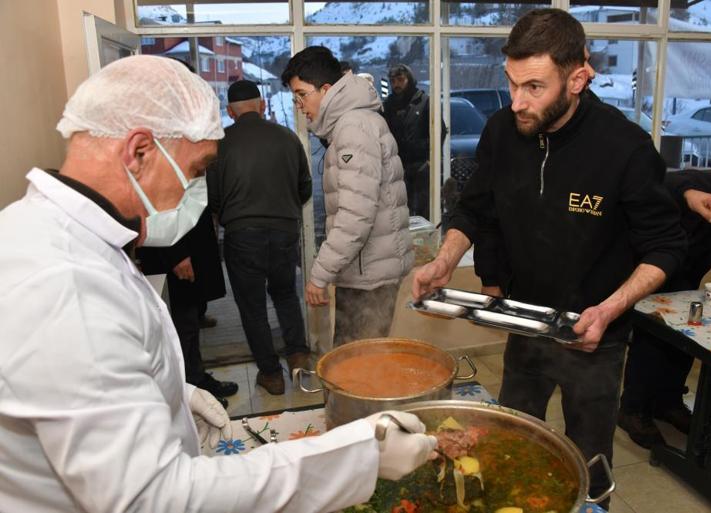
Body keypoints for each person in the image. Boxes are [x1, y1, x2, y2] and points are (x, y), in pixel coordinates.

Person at [0, 55, 436, 513]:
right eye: (196, 171)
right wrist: (358, 459)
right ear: (139, 152)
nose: (197, 191)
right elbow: (157, 499)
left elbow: (85, 379)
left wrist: (170, 392)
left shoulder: (42, 234)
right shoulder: (66, 286)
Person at [412, 9, 686, 508]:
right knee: (514, 441)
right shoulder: (502, 130)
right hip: (526, 320)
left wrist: (608, 310)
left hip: (594, 337)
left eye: (534, 87)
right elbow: (476, 209)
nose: (517, 102)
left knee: (587, 460)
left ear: (578, 77)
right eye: (512, 84)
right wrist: (444, 261)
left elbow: (666, 247)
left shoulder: (624, 148)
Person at [618, 165, 711, 448]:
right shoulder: (701, 185)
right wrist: (686, 193)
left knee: (686, 338)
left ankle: (669, 402)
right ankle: (632, 409)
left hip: (686, 280)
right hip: (644, 271)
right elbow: (651, 179)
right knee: (652, 337)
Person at [281, 47, 414, 346]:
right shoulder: (354, 122)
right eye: (295, 98)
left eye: (302, 95)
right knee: (360, 362)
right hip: (366, 270)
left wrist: (320, 273)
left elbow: (356, 217)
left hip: (369, 278)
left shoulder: (353, 127)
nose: (300, 106)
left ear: (326, 90)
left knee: (356, 370)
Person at [206, 79, 312, 396]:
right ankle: (298, 359)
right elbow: (304, 188)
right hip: (284, 232)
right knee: (286, 296)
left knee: (251, 307)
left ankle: (271, 375)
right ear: (262, 105)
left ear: (230, 111)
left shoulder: (220, 144)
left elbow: (212, 197)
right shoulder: (287, 137)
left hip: (242, 235)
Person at [137, 205, 238, 407]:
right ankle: (188, 392)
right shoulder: (159, 173)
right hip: (172, 255)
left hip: (188, 248)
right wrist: (176, 254)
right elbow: (157, 209)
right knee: (180, 327)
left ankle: (196, 379)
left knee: (189, 323)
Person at [382, 64, 435, 219]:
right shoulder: (388, 106)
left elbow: (439, 132)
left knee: (423, 211)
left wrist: (430, 158)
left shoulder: (424, 102)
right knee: (397, 212)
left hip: (421, 167)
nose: (396, 84)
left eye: (400, 79)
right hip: (395, 167)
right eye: (393, 81)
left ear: (409, 79)